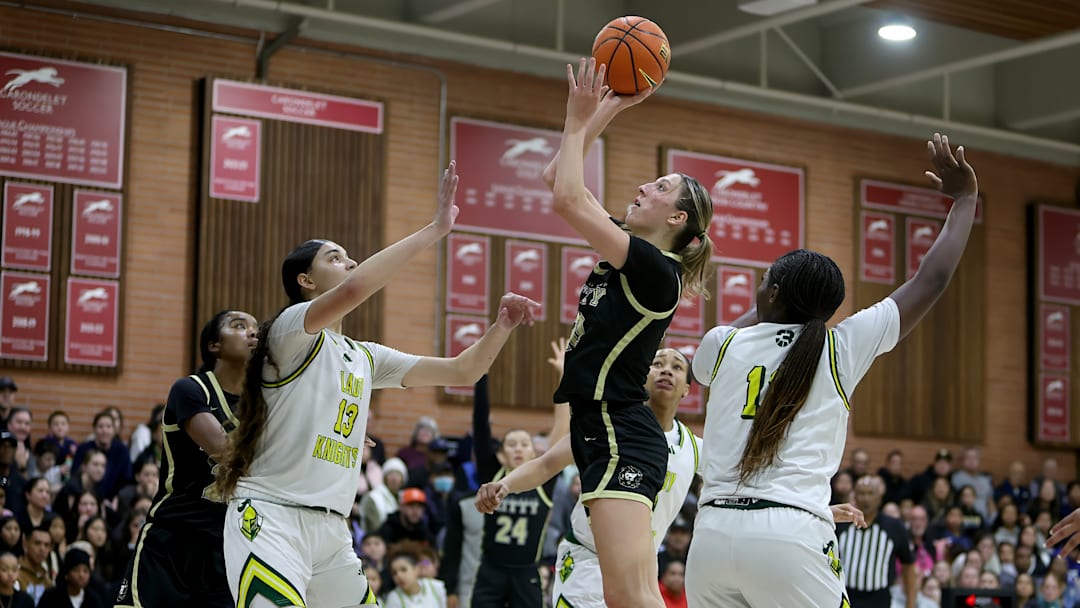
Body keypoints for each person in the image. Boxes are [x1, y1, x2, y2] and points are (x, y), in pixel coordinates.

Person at [211, 161, 539, 608]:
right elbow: (355, 289)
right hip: (271, 518)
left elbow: (463, 372)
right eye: (335, 258)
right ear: (306, 281)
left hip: (332, 530)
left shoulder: (364, 356)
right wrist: (434, 230)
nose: (349, 263)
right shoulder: (289, 330)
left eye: (349, 257)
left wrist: (502, 325)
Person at [685, 133, 980, 608]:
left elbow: (712, 357)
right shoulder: (841, 347)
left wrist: (776, 298)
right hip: (790, 534)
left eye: (764, 282)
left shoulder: (722, 343)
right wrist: (965, 200)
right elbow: (932, 278)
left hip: (713, 534)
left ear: (772, 294)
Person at [543, 57, 713, 608]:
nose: (643, 186)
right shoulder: (633, 252)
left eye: (660, 187)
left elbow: (567, 197)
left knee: (629, 597)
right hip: (605, 428)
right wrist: (611, 107)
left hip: (618, 428)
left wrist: (577, 119)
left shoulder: (653, 270)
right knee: (633, 595)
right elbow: (557, 180)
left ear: (677, 219)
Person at [114, 309, 258, 608]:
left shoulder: (263, 404)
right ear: (213, 345)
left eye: (256, 329)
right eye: (239, 326)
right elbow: (225, 452)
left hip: (225, 547)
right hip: (172, 541)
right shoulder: (191, 389)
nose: (252, 333)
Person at [467, 375, 557, 608]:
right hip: (491, 570)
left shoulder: (543, 479)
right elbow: (480, 425)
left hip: (526, 572)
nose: (518, 449)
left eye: (524, 444)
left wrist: (562, 377)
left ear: (534, 454)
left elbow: (561, 434)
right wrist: (482, 376)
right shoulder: (491, 473)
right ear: (501, 455)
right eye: (511, 444)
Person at [835, 476, 916, 608]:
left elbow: (908, 565)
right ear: (854, 496)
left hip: (879, 598)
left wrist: (910, 603)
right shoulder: (841, 525)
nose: (866, 498)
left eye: (870, 493)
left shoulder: (894, 527)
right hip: (846, 595)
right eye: (861, 493)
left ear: (879, 497)